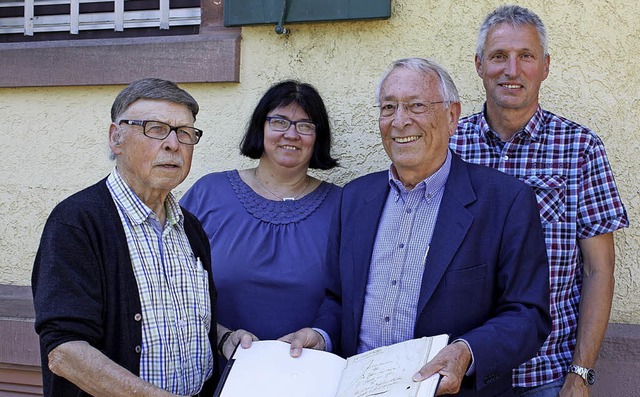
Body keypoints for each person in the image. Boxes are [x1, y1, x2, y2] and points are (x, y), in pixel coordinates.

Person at [289, 57, 551, 396]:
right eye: (388, 107)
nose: (400, 121)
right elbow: (338, 298)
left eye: (416, 106)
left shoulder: (505, 201)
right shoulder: (355, 199)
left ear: (452, 116)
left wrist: (466, 352)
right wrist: (322, 335)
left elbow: (527, 314)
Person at [450, 5, 629, 396]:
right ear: (479, 65)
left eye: (525, 56)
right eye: (499, 56)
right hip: (462, 373)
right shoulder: (449, 146)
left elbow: (599, 271)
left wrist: (580, 374)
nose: (511, 70)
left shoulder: (580, 149)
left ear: (545, 66)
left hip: (546, 374)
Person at [32, 78, 220, 397]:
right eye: (155, 128)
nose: (174, 144)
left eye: (184, 132)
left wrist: (228, 338)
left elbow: (186, 322)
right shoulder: (77, 222)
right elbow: (65, 352)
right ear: (116, 138)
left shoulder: (191, 228)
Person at [180, 80, 342, 360]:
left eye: (305, 125)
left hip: (306, 373)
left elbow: (350, 296)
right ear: (261, 127)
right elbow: (171, 284)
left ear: (318, 137)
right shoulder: (209, 194)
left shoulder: (342, 206)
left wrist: (322, 334)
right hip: (214, 368)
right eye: (279, 122)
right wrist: (221, 337)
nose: (291, 134)